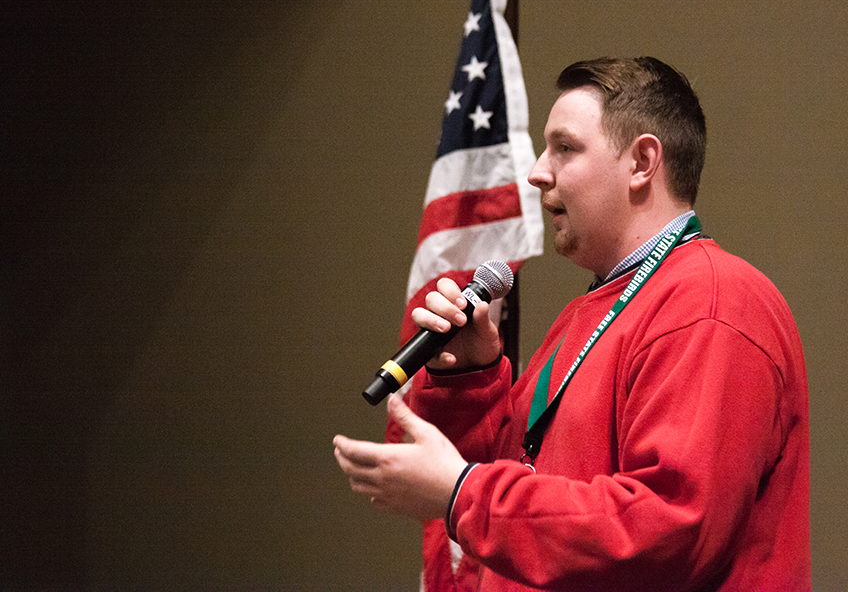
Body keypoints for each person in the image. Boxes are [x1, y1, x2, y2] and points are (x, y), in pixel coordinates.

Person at [334, 56, 810, 591]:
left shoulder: (714, 302)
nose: (538, 171)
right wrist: (469, 378)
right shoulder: (592, 309)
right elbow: (519, 487)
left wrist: (462, 493)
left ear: (642, 161)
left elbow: (667, 529)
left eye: (565, 147)